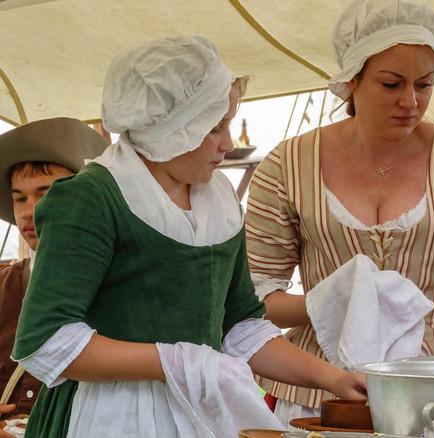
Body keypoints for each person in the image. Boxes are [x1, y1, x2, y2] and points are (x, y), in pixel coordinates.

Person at [11, 35, 365, 438]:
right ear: (169, 127)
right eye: (214, 128)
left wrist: (334, 380)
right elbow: (48, 339)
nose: (228, 145)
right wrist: (180, 363)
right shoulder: (93, 197)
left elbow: (240, 325)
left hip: (202, 411)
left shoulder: (219, 201)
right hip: (109, 416)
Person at [245, 0, 434, 426]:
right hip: (324, 389)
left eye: (424, 85)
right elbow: (255, 297)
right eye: (391, 84)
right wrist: (333, 302)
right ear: (351, 79)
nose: (411, 101)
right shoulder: (287, 165)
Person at [0, 118, 109, 438]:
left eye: (46, 193)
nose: (27, 211)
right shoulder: (3, 289)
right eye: (20, 197)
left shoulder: (124, 288)